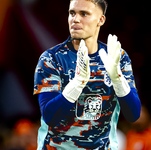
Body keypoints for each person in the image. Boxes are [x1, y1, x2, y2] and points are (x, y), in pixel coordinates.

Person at [33, 0, 141, 149]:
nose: (75, 19)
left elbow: (133, 115)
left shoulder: (117, 57)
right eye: (72, 13)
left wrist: (118, 80)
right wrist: (77, 84)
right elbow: (50, 117)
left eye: (84, 14)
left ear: (101, 19)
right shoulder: (51, 58)